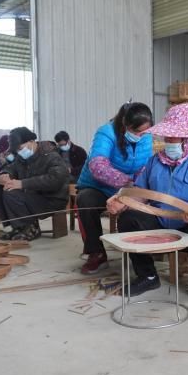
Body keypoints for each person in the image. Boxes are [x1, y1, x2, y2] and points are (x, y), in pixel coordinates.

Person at [107, 102, 188, 303]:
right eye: (167, 135)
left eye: (173, 136)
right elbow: (142, 192)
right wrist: (123, 201)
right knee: (128, 219)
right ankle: (148, 276)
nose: (167, 141)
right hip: (161, 221)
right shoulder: (156, 161)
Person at [76, 102, 154, 274]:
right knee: (85, 200)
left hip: (128, 187)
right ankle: (96, 253)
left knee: (139, 210)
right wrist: (126, 182)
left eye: (144, 132)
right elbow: (97, 165)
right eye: (136, 132)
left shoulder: (147, 136)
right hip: (98, 186)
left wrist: (137, 187)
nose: (140, 136)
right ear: (125, 125)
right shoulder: (106, 132)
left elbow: (146, 166)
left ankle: (139, 254)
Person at [0, 127, 70, 241]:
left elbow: (55, 179)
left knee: (11, 193)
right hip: (33, 195)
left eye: (20, 148)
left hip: (52, 199)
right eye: (16, 150)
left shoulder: (51, 155)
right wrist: (5, 174)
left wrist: (22, 184)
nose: (19, 152)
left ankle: (31, 228)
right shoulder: (22, 158)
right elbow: (11, 168)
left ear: (31, 141)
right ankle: (17, 227)